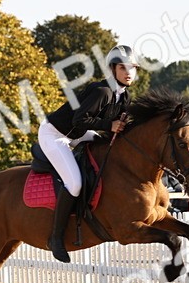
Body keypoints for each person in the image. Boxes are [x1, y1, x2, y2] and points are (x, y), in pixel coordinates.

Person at [39, 45, 138, 262]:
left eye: (132, 68)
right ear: (112, 69)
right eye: (123, 68)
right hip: (55, 134)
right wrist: (109, 125)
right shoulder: (102, 91)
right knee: (74, 184)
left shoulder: (124, 96)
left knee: (102, 143)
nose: (128, 72)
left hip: (78, 133)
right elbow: (79, 120)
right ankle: (55, 238)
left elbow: (110, 126)